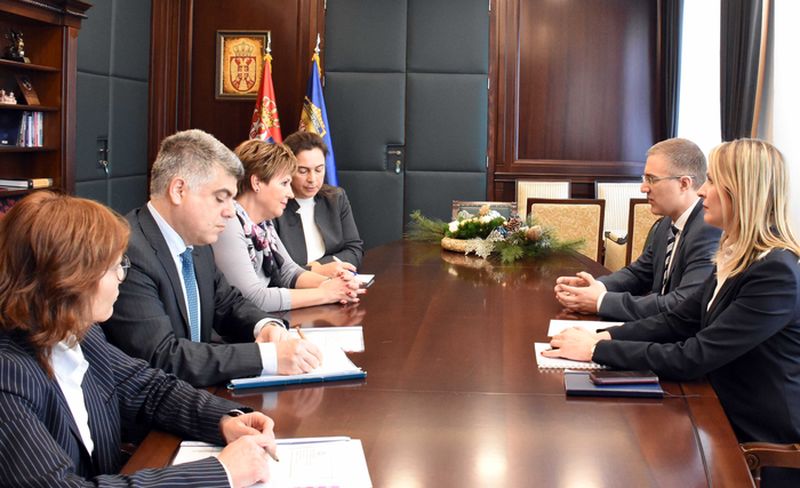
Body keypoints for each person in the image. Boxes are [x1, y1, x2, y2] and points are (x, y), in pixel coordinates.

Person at [545, 139, 800, 487]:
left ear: (741, 192)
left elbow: (695, 355)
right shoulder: (736, 254)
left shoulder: (775, 271)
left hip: (757, 439)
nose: (703, 191)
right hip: (714, 408)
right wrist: (600, 335)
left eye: (713, 182)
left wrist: (596, 350)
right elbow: (677, 320)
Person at [0, 192, 277, 487]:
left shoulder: (81, 332)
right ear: (69, 280)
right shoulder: (9, 375)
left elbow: (149, 389)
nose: (122, 277)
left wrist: (224, 419)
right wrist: (222, 472)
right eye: (114, 267)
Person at [102, 129, 322, 387]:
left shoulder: (197, 242)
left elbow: (228, 303)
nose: (230, 212)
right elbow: (163, 357)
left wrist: (265, 326)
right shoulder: (129, 252)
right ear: (179, 190)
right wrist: (267, 357)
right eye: (220, 198)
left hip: (201, 391)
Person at [554, 138, 721, 321]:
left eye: (652, 179)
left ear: (684, 184)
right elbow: (639, 274)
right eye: (644, 179)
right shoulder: (665, 224)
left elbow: (682, 303)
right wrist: (596, 287)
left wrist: (601, 302)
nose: (643, 188)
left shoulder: (708, 230)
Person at [212, 139, 363, 312]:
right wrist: (326, 293)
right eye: (284, 183)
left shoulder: (263, 224)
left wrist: (337, 285)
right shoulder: (229, 223)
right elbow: (253, 298)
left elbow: (288, 271)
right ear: (256, 183)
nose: (290, 193)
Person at [275, 131, 364, 277]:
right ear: (288, 169)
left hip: (335, 279)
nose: (312, 179)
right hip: (294, 286)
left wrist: (320, 266)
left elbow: (354, 251)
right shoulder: (275, 205)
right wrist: (314, 271)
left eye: (319, 169)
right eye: (303, 171)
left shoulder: (336, 198)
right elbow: (274, 269)